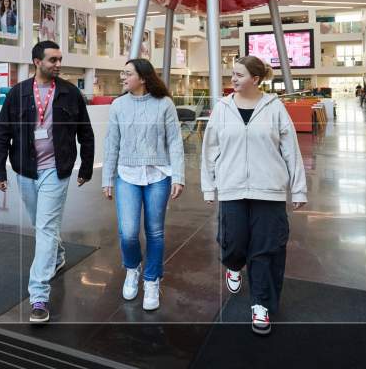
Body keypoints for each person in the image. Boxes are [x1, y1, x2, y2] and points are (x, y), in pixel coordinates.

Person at [201, 55, 307, 336]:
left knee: (265, 249)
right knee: (233, 241)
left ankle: (261, 304)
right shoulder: (223, 108)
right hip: (232, 187)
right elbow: (209, 150)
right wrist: (208, 186)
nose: (233, 79)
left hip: (269, 189)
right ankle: (233, 265)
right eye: (232, 74)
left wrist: (298, 188)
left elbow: (291, 150)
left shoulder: (275, 108)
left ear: (256, 79)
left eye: (239, 75)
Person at [0, 40, 95, 323]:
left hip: (56, 171)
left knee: (46, 228)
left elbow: (85, 133)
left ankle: (39, 296)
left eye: (60, 59)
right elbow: (1, 133)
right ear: (37, 62)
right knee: (42, 225)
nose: (58, 64)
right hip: (25, 170)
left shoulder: (70, 93)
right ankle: (59, 256)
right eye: (53, 60)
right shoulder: (18, 93)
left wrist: (86, 166)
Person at [102, 58, 185, 311]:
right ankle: (132, 268)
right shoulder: (118, 105)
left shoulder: (164, 104)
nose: (122, 77)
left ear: (143, 77)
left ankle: (151, 280)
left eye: (127, 73)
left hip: (158, 174)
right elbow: (111, 144)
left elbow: (175, 142)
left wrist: (178, 176)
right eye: (122, 73)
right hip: (127, 175)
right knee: (128, 232)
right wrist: (107, 178)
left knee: (155, 232)